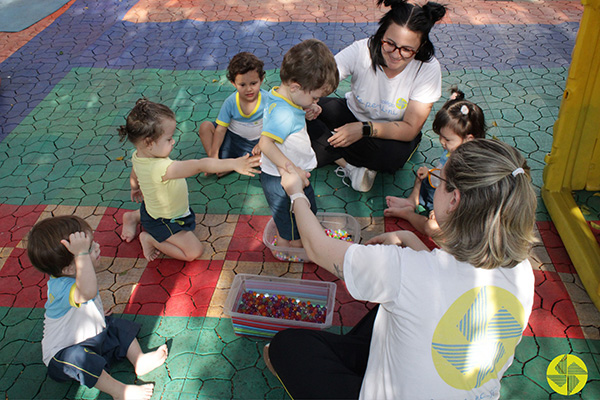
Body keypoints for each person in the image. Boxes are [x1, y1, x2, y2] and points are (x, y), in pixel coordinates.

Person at [264, 139, 537, 399]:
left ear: (454, 200)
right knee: (389, 309)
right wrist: (409, 239)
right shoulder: (523, 270)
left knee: (286, 347)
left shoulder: (404, 270)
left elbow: (317, 247)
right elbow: (441, 284)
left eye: (438, 181)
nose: (434, 181)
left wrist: (296, 193)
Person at [307, 0, 446, 192]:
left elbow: (410, 129)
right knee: (301, 108)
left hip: (391, 133)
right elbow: (323, 78)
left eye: (407, 49)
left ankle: (316, 146)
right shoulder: (362, 50)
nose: (396, 54)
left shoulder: (428, 68)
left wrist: (363, 129)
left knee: (391, 158)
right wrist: (311, 102)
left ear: (421, 47)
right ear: (381, 34)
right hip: (350, 113)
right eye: (390, 43)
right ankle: (348, 165)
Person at [27, 215, 169, 400]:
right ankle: (119, 391)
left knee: (115, 325)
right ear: (70, 269)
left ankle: (139, 360)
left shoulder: (74, 273)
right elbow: (87, 291)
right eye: (88, 249)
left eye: (92, 243)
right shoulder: (61, 288)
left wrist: (97, 314)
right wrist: (81, 255)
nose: (97, 247)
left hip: (94, 338)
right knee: (78, 357)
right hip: (63, 356)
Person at [118, 98, 260, 262]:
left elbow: (135, 171)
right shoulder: (163, 168)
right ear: (149, 143)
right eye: (169, 138)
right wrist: (234, 163)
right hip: (165, 221)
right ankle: (150, 239)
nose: (173, 141)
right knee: (193, 252)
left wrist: (134, 187)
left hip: (156, 209)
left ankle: (133, 217)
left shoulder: (139, 154)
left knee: (151, 208)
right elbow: (200, 165)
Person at [259, 39, 339, 252]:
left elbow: (287, 121)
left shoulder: (284, 97)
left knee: (298, 214)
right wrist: (290, 169)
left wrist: (307, 108)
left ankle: (295, 240)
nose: (317, 100)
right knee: (292, 224)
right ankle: (292, 249)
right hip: (283, 178)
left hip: (290, 174)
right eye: (315, 96)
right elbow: (265, 143)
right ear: (295, 87)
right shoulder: (283, 113)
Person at [384, 87, 487, 236]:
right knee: (422, 175)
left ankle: (408, 214)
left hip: (454, 203)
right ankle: (413, 200)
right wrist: (430, 173)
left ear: (469, 139)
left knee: (432, 228)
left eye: (447, 139)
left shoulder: (472, 166)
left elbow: (465, 199)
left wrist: (443, 211)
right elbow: (442, 171)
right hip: (440, 189)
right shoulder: (454, 149)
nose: (442, 142)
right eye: (441, 137)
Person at [197, 52, 268, 176]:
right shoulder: (231, 102)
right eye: (242, 85)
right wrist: (214, 155)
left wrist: (261, 142)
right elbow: (220, 130)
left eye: (253, 83)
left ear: (261, 80)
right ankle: (216, 163)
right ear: (233, 83)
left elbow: (274, 125)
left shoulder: (267, 99)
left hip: (256, 144)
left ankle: (240, 163)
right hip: (234, 140)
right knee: (205, 127)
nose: (249, 89)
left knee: (274, 149)